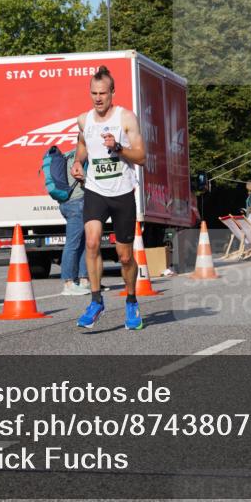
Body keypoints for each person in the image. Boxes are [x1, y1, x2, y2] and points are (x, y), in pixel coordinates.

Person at [70, 66, 147, 330]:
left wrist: (118, 147)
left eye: (103, 93)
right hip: (95, 191)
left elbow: (141, 157)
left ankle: (131, 300)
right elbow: (82, 145)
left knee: (125, 256)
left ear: (113, 92)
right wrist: (78, 163)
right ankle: (95, 300)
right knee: (91, 241)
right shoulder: (84, 120)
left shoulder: (126, 118)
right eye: (94, 93)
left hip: (123, 192)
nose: (98, 98)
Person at [60, 149, 91, 296]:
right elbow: (84, 178)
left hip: (66, 203)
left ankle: (84, 281)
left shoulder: (66, 156)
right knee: (73, 244)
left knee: (83, 241)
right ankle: (68, 283)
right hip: (77, 202)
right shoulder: (80, 159)